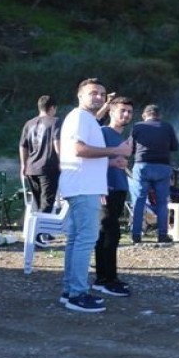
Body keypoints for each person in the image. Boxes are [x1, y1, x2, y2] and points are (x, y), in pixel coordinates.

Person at [59, 78, 132, 313]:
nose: (99, 97)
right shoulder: (80, 117)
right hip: (83, 188)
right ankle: (77, 294)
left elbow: (84, 157)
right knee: (85, 240)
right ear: (80, 95)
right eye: (93, 93)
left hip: (82, 186)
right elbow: (78, 149)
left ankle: (70, 290)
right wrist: (116, 150)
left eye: (102, 93)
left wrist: (111, 162)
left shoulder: (86, 119)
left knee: (76, 239)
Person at [93, 96, 134, 298]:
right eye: (122, 110)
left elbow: (115, 161)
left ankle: (106, 278)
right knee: (109, 233)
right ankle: (106, 280)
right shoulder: (102, 132)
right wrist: (101, 185)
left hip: (119, 187)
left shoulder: (121, 137)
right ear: (111, 112)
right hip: (106, 188)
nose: (126, 114)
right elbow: (91, 160)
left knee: (109, 233)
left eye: (129, 112)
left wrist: (122, 163)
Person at [130, 104, 179, 244]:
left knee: (139, 201)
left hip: (142, 166)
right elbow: (175, 147)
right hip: (162, 167)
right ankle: (162, 235)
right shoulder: (167, 126)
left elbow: (131, 148)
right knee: (162, 202)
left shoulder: (137, 126)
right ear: (159, 116)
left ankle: (136, 235)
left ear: (144, 115)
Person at [19, 95, 61, 213]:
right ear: (52, 108)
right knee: (47, 204)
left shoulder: (29, 123)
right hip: (48, 167)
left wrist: (23, 165)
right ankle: (43, 224)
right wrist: (62, 161)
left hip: (31, 168)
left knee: (39, 204)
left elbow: (23, 146)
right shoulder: (55, 121)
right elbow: (56, 142)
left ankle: (37, 223)